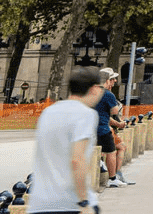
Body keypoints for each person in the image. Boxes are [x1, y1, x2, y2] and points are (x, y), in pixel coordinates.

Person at [26, 67, 106, 214]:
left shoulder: (48, 112)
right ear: (94, 88)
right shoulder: (86, 114)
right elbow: (77, 159)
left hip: (39, 204)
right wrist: (83, 202)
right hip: (70, 203)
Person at [94, 69, 128, 188]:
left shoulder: (91, 92)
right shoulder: (108, 94)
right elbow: (113, 112)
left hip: (90, 128)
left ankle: (102, 165)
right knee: (111, 152)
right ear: (107, 80)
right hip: (103, 129)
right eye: (112, 79)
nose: (114, 82)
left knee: (98, 150)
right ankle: (113, 178)